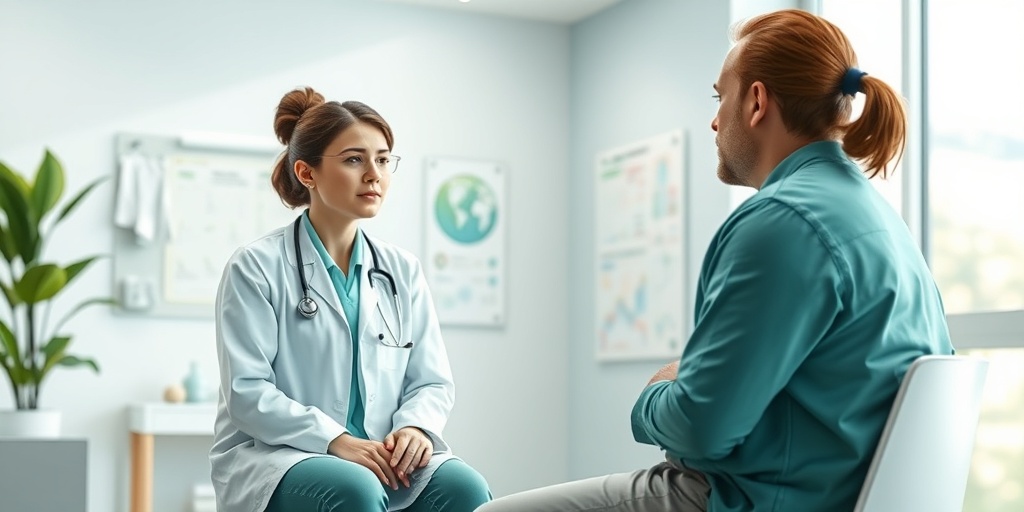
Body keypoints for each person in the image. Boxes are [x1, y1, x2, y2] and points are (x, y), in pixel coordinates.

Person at [477, 8, 952, 512]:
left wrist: (656, 394)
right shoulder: (880, 220)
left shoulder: (782, 221)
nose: (714, 120)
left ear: (756, 102)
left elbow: (701, 429)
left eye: (718, 97)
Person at [210, 86, 491, 512]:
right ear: (307, 173)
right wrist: (334, 439)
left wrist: (415, 428)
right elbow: (247, 392)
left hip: (381, 454)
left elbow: (431, 381)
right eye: (354, 159)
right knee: (354, 490)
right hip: (281, 456)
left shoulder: (401, 270)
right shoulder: (256, 266)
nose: (374, 174)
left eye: (383, 159)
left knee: (464, 487)